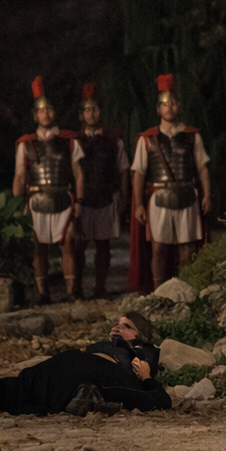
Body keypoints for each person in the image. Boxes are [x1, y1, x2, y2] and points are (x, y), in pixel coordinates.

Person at [0, 313, 170, 418]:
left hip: (96, 367)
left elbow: (144, 361)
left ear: (141, 335)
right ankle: (88, 396)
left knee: (26, 387)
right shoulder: (105, 344)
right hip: (85, 365)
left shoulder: (143, 348)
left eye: (126, 326)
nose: (118, 328)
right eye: (117, 324)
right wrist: (148, 380)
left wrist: (145, 373)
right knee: (29, 381)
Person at [129, 74, 212, 293]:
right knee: (159, 248)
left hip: (188, 195)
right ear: (158, 109)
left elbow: (203, 168)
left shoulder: (193, 136)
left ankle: (186, 292)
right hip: (159, 198)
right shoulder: (147, 139)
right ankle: (159, 293)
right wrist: (139, 204)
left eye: (173, 103)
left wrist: (207, 195)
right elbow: (139, 173)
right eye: (165, 104)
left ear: (179, 106)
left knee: (187, 249)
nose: (170, 107)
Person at [13, 77, 83, 303]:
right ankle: (43, 294)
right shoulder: (26, 144)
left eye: (49, 110)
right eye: (41, 111)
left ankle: (72, 292)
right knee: (38, 248)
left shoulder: (69, 141)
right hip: (37, 200)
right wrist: (16, 207)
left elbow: (79, 173)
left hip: (64, 198)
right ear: (35, 115)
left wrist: (80, 200)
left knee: (68, 244)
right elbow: (20, 176)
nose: (46, 114)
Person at [73, 82, 129, 300]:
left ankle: (100, 287)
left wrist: (124, 197)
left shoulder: (114, 140)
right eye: (87, 110)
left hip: (107, 196)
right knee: (79, 245)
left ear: (101, 112)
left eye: (95, 109)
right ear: (81, 115)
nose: (92, 113)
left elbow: (123, 169)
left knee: (103, 245)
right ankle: (76, 288)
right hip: (84, 199)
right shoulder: (74, 142)